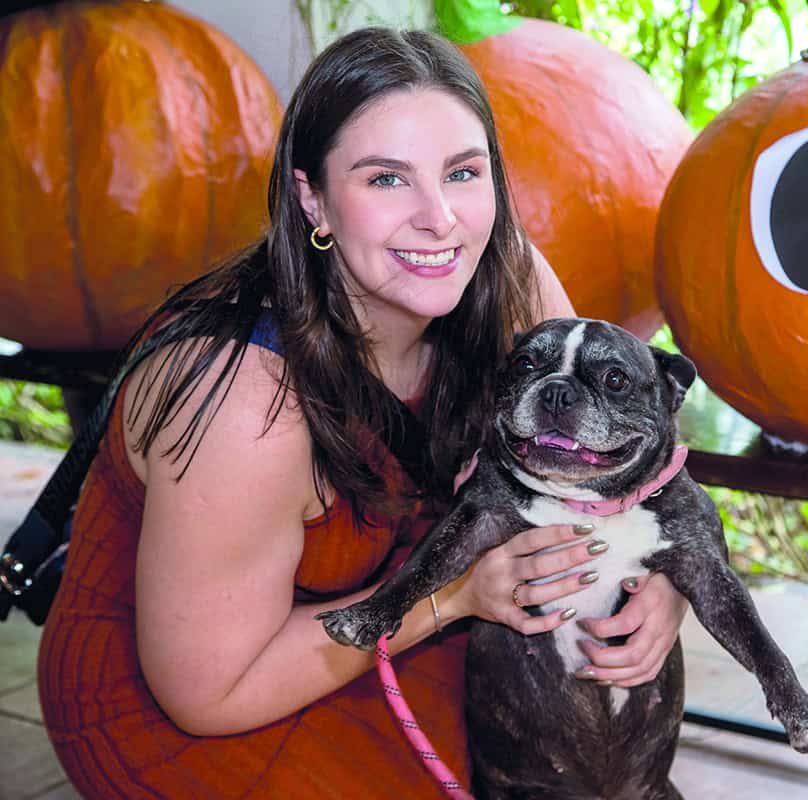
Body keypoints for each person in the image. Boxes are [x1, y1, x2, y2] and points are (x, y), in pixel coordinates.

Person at [37, 27, 688, 799]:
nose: (440, 219)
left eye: (463, 172)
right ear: (312, 196)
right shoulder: (247, 400)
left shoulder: (504, 271)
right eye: (386, 179)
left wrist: (664, 575)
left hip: (401, 618)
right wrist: (451, 596)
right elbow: (209, 694)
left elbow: (628, 460)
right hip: (209, 698)